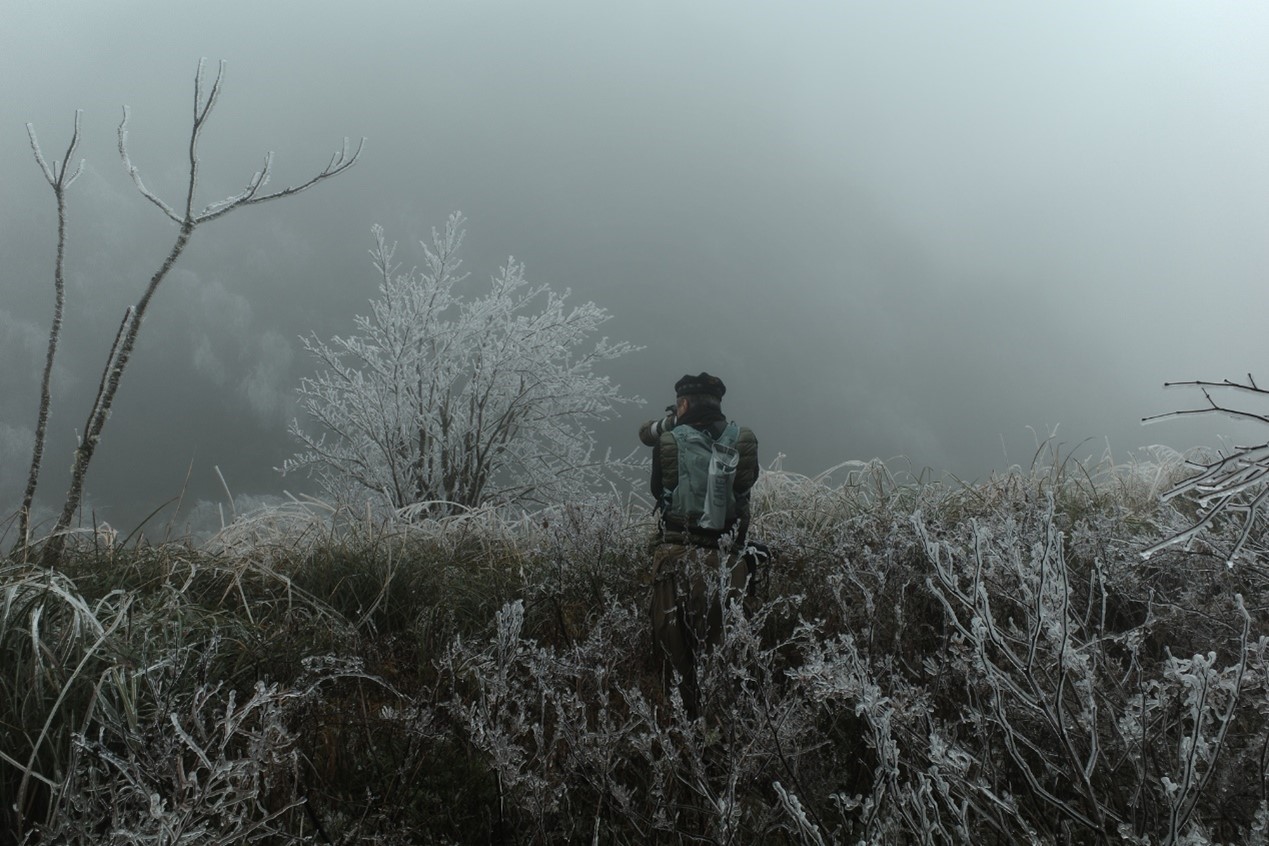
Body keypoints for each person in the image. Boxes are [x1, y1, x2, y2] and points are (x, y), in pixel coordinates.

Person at [639, 372, 759, 717]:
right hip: (728, 562)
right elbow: (746, 486)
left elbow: (658, 489)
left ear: (684, 404)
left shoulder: (669, 440)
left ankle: (681, 735)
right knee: (725, 667)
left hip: (676, 558)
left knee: (674, 668)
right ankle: (722, 742)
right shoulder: (744, 439)